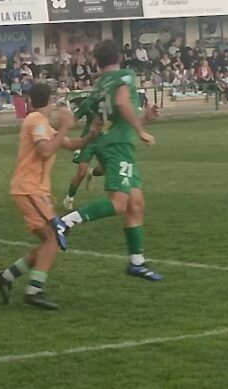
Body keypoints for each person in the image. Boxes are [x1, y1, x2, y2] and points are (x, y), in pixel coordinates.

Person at [58, 39, 163, 282]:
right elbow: (122, 103)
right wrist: (141, 130)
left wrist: (144, 119)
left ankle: (137, 262)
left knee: (136, 203)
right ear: (119, 57)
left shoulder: (100, 85)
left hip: (112, 143)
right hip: (118, 148)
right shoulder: (124, 76)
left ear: (98, 60)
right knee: (119, 203)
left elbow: (114, 119)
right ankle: (64, 222)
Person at [0, 83, 100, 310]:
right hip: (29, 188)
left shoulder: (43, 125)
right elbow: (45, 150)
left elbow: (71, 144)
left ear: (31, 100)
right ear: (49, 101)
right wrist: (63, 126)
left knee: (49, 242)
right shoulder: (35, 121)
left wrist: (92, 133)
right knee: (54, 238)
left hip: (36, 190)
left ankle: (7, 277)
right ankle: (34, 290)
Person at [63, 91, 105, 210]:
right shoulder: (87, 103)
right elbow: (73, 120)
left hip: (104, 140)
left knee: (104, 169)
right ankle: (69, 198)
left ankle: (92, 173)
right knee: (81, 172)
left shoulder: (112, 103)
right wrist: (66, 121)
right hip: (88, 140)